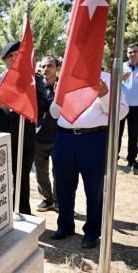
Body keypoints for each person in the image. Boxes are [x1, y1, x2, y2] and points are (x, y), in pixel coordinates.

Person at [50, 74, 129, 249]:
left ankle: (92, 232)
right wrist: (57, 98)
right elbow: (54, 113)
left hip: (94, 138)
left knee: (94, 189)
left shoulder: (109, 79)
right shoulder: (66, 77)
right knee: (63, 186)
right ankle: (65, 226)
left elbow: (122, 112)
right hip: (65, 138)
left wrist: (104, 96)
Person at [0, 40, 48, 215]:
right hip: (0, 136)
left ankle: (22, 212)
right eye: (10, 56)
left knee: (22, 177)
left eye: (17, 55)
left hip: (24, 136)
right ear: (4, 59)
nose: (14, 58)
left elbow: (43, 104)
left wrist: (28, 105)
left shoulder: (34, 79)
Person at [34, 56, 60, 212]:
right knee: (40, 172)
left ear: (57, 68)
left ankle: (59, 201)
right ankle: (47, 200)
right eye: (43, 66)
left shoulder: (64, 86)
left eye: (50, 66)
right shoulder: (36, 87)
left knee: (60, 173)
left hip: (60, 137)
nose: (45, 69)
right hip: (38, 137)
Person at [119, 43, 138, 170]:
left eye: (135, 51)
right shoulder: (121, 66)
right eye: (130, 52)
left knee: (134, 135)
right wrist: (120, 78)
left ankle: (131, 159)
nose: (132, 54)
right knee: (117, 133)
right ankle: (114, 157)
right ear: (127, 54)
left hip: (136, 107)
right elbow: (112, 82)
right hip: (121, 106)